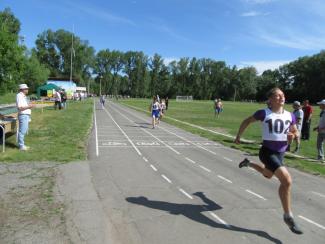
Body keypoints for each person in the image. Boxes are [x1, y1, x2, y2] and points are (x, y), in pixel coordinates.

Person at [235, 88, 303, 234]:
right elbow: (247, 121)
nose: (281, 97)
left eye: (283, 95)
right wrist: (238, 136)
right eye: (277, 96)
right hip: (267, 152)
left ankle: (248, 163)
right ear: (270, 100)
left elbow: (295, 130)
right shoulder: (264, 113)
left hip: (280, 154)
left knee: (268, 175)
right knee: (287, 181)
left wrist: (294, 134)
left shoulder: (290, 115)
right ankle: (288, 216)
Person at [16, 84, 34, 151]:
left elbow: (24, 105)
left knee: (24, 130)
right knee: (22, 131)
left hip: (26, 115)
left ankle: (22, 145)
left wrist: (29, 104)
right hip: (23, 115)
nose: (27, 90)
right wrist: (29, 106)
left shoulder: (23, 96)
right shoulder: (19, 96)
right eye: (26, 89)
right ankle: (21, 146)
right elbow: (20, 107)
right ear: (22, 89)